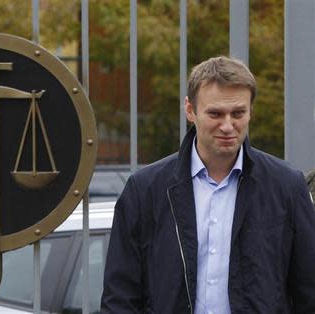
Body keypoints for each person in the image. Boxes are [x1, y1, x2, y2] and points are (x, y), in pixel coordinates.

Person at [101, 56, 315, 313]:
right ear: (190, 110)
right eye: (215, 113)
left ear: (251, 111)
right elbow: (120, 296)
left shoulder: (286, 187)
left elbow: (308, 289)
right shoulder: (145, 190)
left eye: (238, 113)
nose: (228, 126)